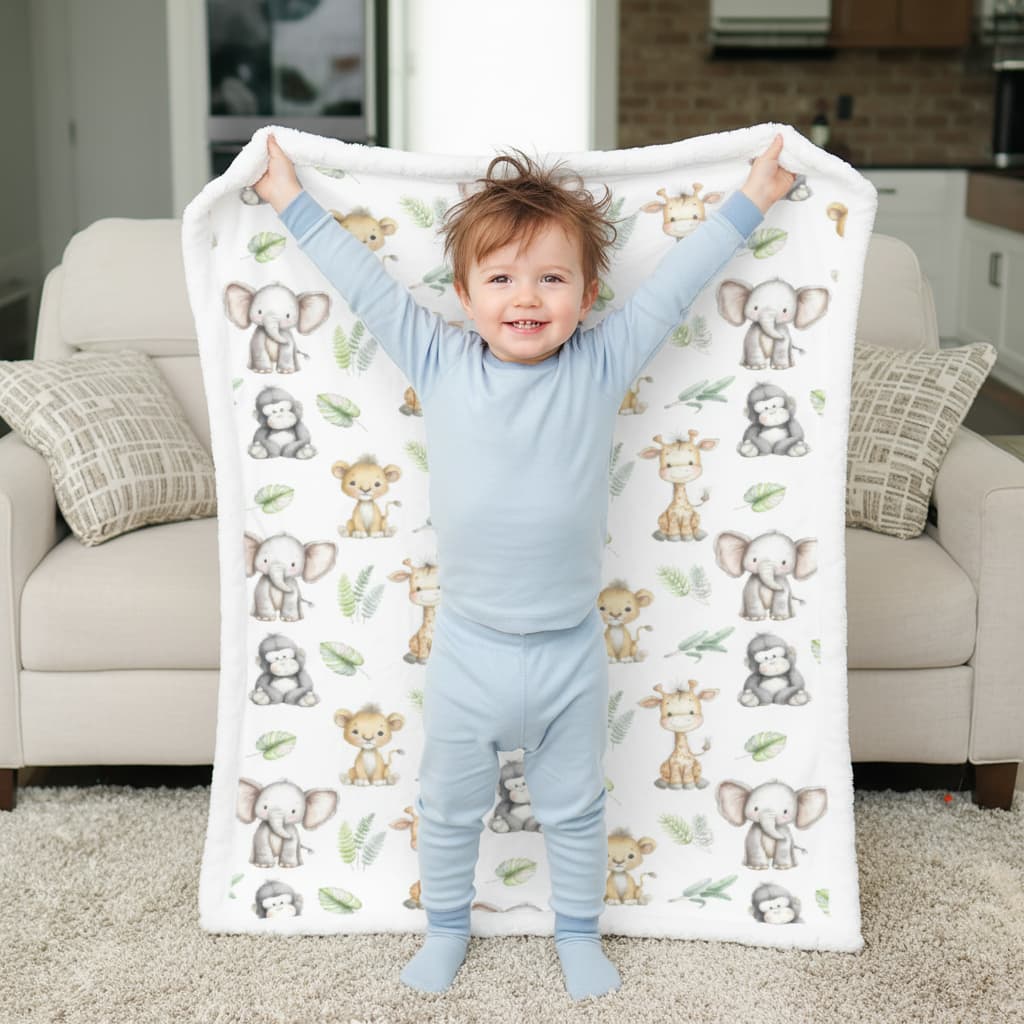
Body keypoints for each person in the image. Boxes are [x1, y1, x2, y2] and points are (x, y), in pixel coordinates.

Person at [253, 131, 795, 1000]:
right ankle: (445, 929)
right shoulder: (437, 357)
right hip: (468, 649)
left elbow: (677, 283)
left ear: (586, 295)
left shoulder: (602, 360)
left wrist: (755, 197)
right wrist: (288, 198)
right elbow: (361, 285)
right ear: (464, 296)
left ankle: (578, 932)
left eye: (552, 279)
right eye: (501, 280)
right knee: (447, 806)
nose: (527, 298)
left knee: (577, 810)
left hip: (569, 652)